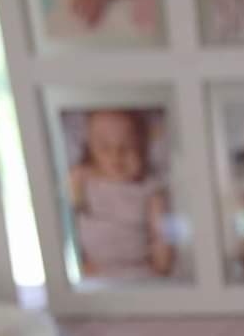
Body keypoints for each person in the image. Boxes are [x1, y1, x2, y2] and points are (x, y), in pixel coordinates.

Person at [69, 110, 172, 280]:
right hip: (93, 269)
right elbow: (69, 220)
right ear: (90, 149)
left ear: (143, 147)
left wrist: (162, 265)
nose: (116, 155)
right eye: (104, 147)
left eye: (128, 146)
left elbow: (162, 234)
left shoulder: (149, 189)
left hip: (138, 269)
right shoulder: (83, 180)